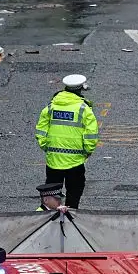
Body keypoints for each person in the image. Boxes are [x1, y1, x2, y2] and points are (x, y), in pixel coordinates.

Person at [35, 74, 99, 209]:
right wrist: (87, 152)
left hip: (53, 160)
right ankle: (70, 217)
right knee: (74, 193)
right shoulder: (84, 109)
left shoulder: (51, 106)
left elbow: (41, 130)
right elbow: (91, 136)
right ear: (80, 89)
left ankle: (45, 218)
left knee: (50, 196)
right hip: (75, 161)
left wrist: (47, 147)